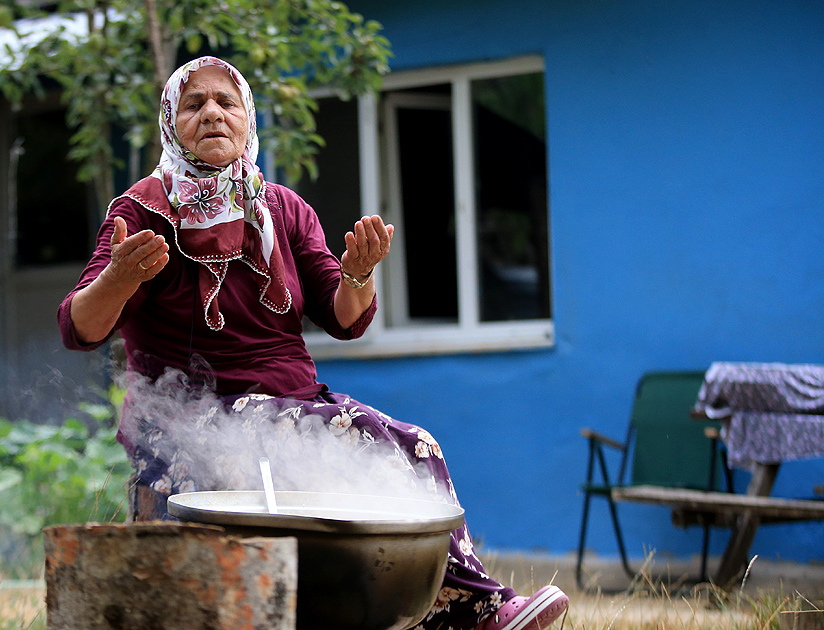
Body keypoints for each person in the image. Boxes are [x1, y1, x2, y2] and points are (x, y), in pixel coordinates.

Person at [58, 56, 568, 630]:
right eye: (193, 103)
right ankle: (481, 612)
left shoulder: (282, 208)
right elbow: (80, 328)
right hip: (191, 426)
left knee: (417, 446)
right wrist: (118, 279)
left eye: (227, 102)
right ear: (170, 123)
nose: (212, 114)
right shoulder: (142, 210)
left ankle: (434, 609)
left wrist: (357, 274)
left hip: (293, 409)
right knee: (358, 437)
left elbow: (344, 316)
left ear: (249, 121)